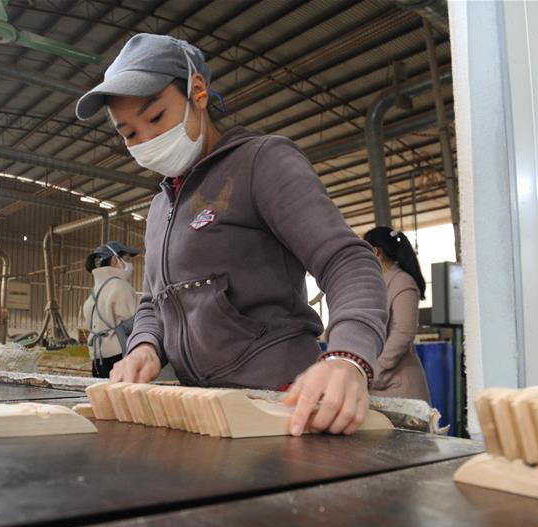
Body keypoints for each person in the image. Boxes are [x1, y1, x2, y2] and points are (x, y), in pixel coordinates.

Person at [75, 34, 388, 436]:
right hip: (205, 410)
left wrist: (348, 358)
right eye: (130, 134)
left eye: (155, 118)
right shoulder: (160, 208)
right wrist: (144, 346)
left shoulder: (262, 161)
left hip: (279, 405)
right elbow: (155, 300)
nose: (147, 141)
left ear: (197, 92)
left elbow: (346, 260)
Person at [363, 227, 431, 403]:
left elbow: (403, 333)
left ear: (376, 252)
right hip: (377, 385)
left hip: (397, 386)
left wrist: (376, 370)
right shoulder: (378, 282)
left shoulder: (402, 282)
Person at [83, 241, 141, 378]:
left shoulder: (95, 291)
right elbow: (134, 324)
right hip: (118, 355)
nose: (129, 264)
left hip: (97, 355)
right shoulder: (121, 287)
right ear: (115, 260)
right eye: (126, 260)